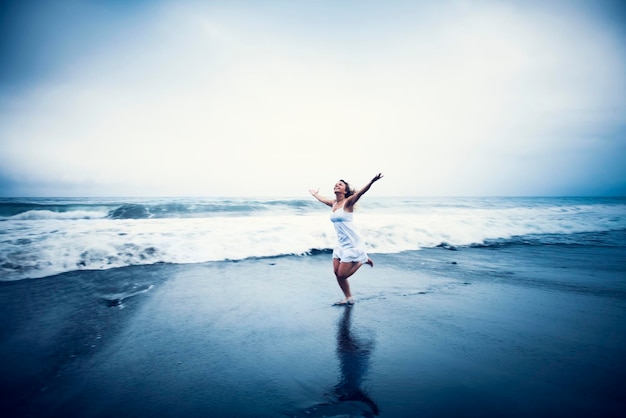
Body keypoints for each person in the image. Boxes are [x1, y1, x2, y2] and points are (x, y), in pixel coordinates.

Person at [309, 173, 384, 305]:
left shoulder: (348, 203)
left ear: (345, 190)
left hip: (352, 243)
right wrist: (314, 194)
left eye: (340, 184)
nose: (336, 185)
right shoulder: (333, 203)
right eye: (335, 184)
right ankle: (349, 297)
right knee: (336, 273)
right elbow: (322, 199)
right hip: (341, 244)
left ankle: (362, 260)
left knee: (342, 275)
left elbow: (360, 193)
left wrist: (371, 181)